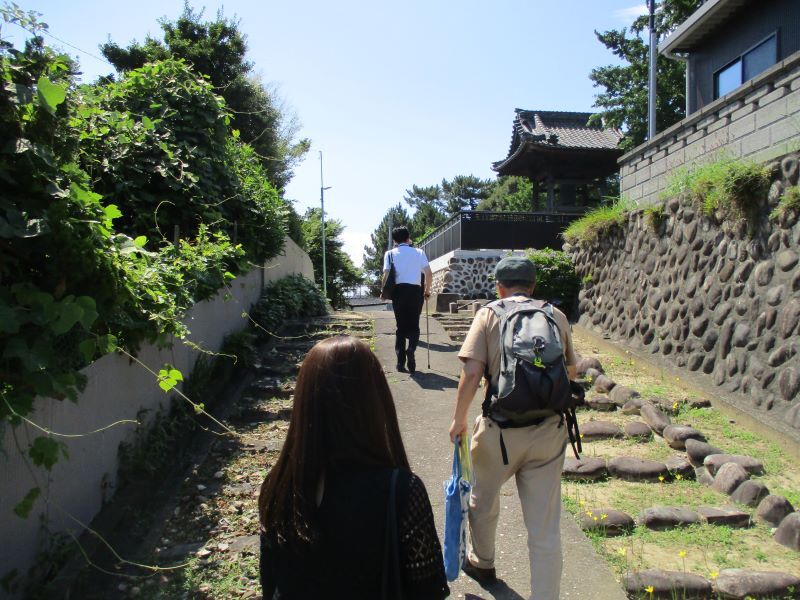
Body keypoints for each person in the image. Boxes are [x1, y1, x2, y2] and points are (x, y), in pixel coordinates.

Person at [259, 336, 449, 600]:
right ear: (375, 401)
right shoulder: (401, 491)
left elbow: (270, 583)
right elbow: (428, 589)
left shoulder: (280, 485)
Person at [448, 257, 577, 600]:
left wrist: (459, 419)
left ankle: (483, 562)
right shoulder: (555, 315)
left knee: (482, 500)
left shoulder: (489, 314)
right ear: (533, 286)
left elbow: (473, 373)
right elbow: (571, 371)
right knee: (545, 527)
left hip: (500, 432)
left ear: (499, 287)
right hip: (549, 431)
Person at [380, 226, 433, 373]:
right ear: (408, 237)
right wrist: (427, 291)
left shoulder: (389, 254)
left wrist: (383, 291)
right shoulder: (418, 252)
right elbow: (429, 273)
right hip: (415, 292)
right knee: (414, 326)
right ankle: (411, 349)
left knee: (401, 328)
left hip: (398, 292)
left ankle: (400, 363)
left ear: (395, 240)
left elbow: (386, 275)